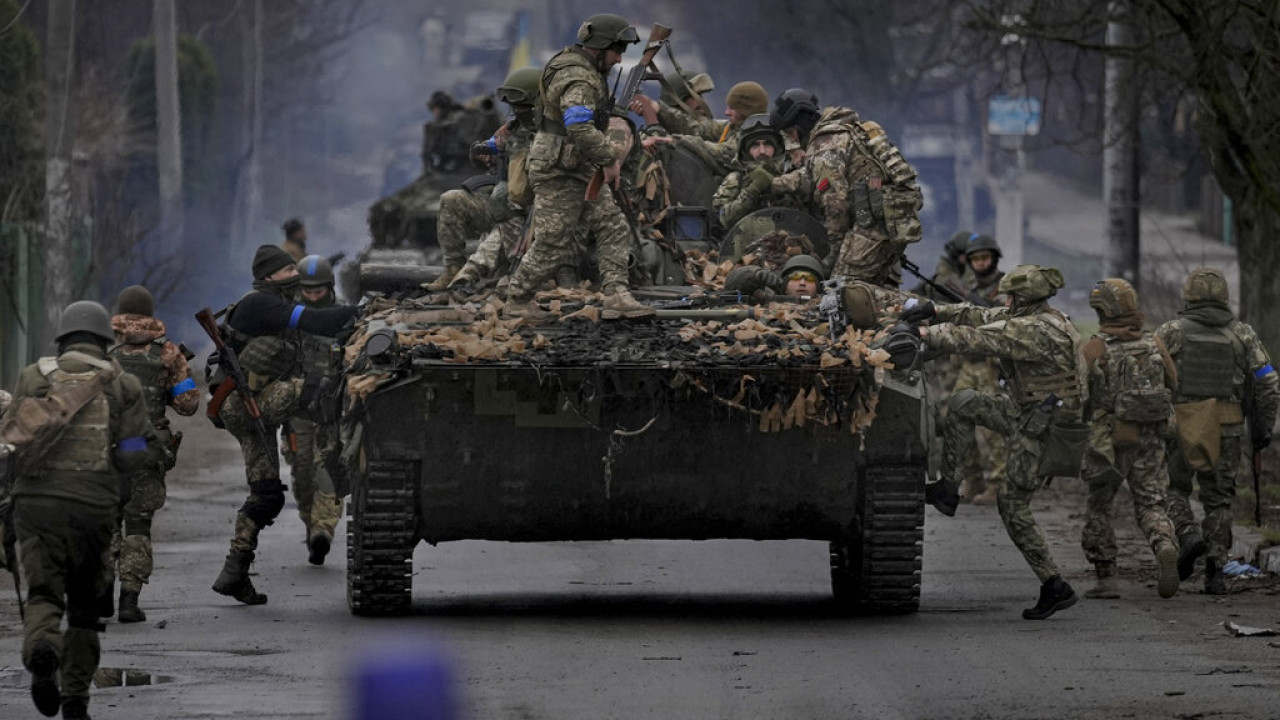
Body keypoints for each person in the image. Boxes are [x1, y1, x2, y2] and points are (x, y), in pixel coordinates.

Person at [904, 265, 1083, 619]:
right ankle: (949, 487)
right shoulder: (1041, 317)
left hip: (1042, 428)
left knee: (1012, 504)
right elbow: (982, 314)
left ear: (1023, 299)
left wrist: (923, 333)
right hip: (1025, 411)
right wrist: (936, 309)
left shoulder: (1032, 331)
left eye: (1011, 296)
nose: (1006, 300)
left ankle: (1054, 584)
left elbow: (974, 338)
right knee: (963, 402)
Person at [3, 301, 151, 718]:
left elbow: (9, 443)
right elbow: (135, 451)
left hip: (36, 505)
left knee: (44, 593)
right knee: (85, 609)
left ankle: (42, 651)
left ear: (63, 337)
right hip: (93, 507)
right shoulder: (122, 384)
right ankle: (75, 700)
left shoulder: (33, 376)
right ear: (106, 341)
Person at [209, 245, 359, 605]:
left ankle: (235, 571)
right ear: (270, 276)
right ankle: (343, 463)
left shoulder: (269, 300)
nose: (295, 274)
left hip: (248, 410)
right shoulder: (262, 303)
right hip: (247, 404)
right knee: (322, 389)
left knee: (267, 496)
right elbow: (316, 320)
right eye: (288, 269)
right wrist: (363, 312)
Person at [502, 13, 652, 320]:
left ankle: (616, 295)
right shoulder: (579, 77)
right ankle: (517, 297)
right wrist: (609, 158)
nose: (619, 58)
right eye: (616, 50)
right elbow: (578, 126)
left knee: (613, 226)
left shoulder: (577, 66)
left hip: (575, 164)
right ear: (599, 47)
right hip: (561, 168)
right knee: (552, 243)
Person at [1156, 267, 1279, 593]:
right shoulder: (1243, 334)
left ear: (1188, 295)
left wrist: (1157, 418)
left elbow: (1150, 374)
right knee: (1219, 499)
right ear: (1225, 296)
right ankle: (1215, 570)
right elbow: (1267, 379)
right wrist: (1263, 426)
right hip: (1227, 426)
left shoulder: (1171, 331)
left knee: (1173, 488)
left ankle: (1187, 535)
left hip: (1182, 423)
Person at [1079, 278, 1180, 599]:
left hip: (1109, 439)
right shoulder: (1154, 343)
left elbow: (1079, 395)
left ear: (1103, 311)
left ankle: (1106, 577)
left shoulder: (1096, 347)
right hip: (1152, 434)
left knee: (1099, 504)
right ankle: (1164, 544)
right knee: (1151, 501)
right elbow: (1173, 383)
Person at [107, 285, 200, 623]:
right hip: (144, 446)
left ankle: (101, 595)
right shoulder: (168, 353)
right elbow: (188, 405)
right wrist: (180, 377)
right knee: (138, 523)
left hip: (108, 447)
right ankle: (128, 601)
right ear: (150, 313)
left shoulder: (105, 351)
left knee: (106, 520)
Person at [769, 88, 924, 288]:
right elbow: (813, 177)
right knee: (871, 288)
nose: (794, 140)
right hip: (891, 216)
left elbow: (836, 204)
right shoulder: (845, 129)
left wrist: (830, 256)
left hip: (873, 223)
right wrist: (773, 183)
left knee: (843, 289)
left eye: (791, 132)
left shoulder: (824, 144)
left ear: (802, 123)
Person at [429, 67, 543, 291]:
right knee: (452, 199)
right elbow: (488, 148)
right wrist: (482, 155)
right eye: (514, 106)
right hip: (504, 205)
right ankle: (453, 268)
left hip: (539, 212)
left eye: (522, 106)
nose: (517, 111)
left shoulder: (554, 132)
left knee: (503, 220)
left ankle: (476, 273)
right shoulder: (511, 130)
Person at [284, 256, 347, 565]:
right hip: (298, 408)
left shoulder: (344, 314)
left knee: (329, 470)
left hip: (332, 409)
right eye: (306, 291)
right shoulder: (290, 316)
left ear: (329, 288)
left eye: (318, 291)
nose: (312, 296)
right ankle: (312, 524)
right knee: (302, 471)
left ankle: (323, 530)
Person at [952, 233, 1008, 504]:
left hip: (991, 365)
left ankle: (997, 484)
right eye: (975, 259)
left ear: (994, 258)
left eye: (985, 258)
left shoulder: (1006, 288)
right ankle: (972, 478)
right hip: (969, 362)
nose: (981, 263)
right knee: (957, 418)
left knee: (993, 426)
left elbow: (1009, 320)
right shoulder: (969, 286)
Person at [711, 114, 793, 229]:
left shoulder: (791, 174)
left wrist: (777, 187)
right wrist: (753, 189)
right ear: (746, 151)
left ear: (778, 148)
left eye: (768, 144)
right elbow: (725, 219)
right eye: (755, 145)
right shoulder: (735, 179)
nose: (762, 151)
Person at [723, 253, 826, 302]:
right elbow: (729, 284)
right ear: (784, 283)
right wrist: (754, 275)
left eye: (809, 279)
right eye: (796, 277)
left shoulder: (826, 306)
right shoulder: (768, 299)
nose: (802, 283)